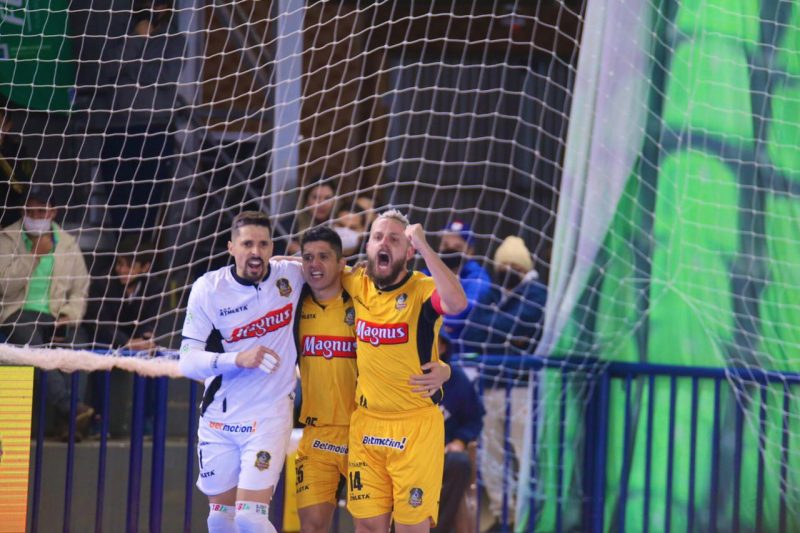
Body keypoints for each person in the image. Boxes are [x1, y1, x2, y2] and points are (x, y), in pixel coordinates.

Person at [293, 226, 451, 533]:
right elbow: (286, 265)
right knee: (316, 526)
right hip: (322, 432)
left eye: (325, 257)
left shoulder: (362, 295)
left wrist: (446, 369)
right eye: (309, 258)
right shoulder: (296, 303)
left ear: (342, 264)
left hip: (365, 426)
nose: (315, 264)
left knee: (397, 525)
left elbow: (412, 345)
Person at [340, 209, 467, 533]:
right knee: (367, 526)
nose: (384, 243)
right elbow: (310, 263)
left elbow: (456, 303)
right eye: (378, 237)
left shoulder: (423, 289)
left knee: (412, 528)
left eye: (395, 239)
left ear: (408, 251)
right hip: (367, 424)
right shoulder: (356, 281)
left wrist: (424, 245)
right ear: (368, 246)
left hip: (414, 428)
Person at [178, 211, 305, 533]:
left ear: (272, 247)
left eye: (263, 244)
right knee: (220, 519)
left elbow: (328, 267)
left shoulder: (291, 275)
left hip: (268, 415)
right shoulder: (209, 288)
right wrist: (236, 359)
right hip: (219, 419)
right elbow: (187, 361)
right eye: (247, 243)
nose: (256, 251)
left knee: (250, 517)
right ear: (231, 247)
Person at [460, 235, 547, 530]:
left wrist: (496, 328)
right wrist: (506, 334)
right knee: (492, 457)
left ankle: (528, 518)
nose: (506, 269)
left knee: (524, 454)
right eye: (503, 264)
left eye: (513, 265)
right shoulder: (493, 292)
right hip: (490, 386)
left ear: (523, 268)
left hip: (522, 387)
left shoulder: (537, 293)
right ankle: (504, 517)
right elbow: (472, 333)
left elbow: (522, 326)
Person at [0, 185, 93, 438]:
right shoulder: (7, 238)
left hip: (55, 315)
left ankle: (70, 422)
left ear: (53, 212)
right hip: (16, 313)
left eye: (41, 211)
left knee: (78, 342)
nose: (35, 215)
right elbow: (3, 287)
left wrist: (69, 315)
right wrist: (33, 256)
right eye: (31, 210)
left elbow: (79, 289)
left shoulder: (67, 243)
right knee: (33, 343)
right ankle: (72, 410)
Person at [96, 0, 184, 231]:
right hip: (118, 128)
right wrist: (137, 38)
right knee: (118, 202)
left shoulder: (174, 39)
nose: (155, 8)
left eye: (161, 4)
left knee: (147, 203)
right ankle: (123, 261)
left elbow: (164, 76)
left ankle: (141, 260)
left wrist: (129, 69)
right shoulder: (121, 32)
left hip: (155, 129)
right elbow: (107, 69)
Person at [87, 236, 164, 437]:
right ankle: (97, 418)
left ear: (145, 267)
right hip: (105, 338)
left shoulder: (154, 286)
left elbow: (152, 318)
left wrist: (147, 338)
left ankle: (147, 418)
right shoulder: (102, 283)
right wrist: (126, 342)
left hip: (136, 340)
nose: (121, 270)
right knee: (100, 356)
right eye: (120, 264)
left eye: (129, 266)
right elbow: (100, 322)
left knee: (154, 358)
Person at [432, 332, 484, 533]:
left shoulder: (458, 379)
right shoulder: (403, 373)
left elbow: (475, 417)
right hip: (406, 451)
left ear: (444, 347)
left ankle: (438, 529)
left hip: (443, 453)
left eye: (435, 340)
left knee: (460, 463)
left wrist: (460, 441)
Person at [423, 221, 492, 351]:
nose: (450, 250)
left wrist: (436, 322)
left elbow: (466, 309)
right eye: (445, 245)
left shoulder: (478, 277)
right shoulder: (426, 273)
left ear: (470, 251)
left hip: (465, 354)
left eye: (458, 247)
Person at [283, 179, 336, 255]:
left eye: (327, 198)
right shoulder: (289, 227)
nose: (322, 204)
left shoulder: (341, 224)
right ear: (306, 200)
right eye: (315, 197)